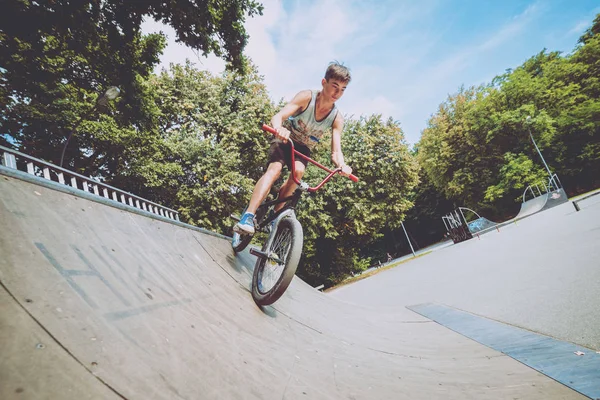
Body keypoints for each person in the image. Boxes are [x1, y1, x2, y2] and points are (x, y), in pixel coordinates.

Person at [234, 62, 353, 235]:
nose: (338, 93)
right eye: (335, 86)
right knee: (274, 170)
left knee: (298, 173)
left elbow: (336, 151)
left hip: (303, 148)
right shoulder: (307, 97)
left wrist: (342, 165)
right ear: (323, 82)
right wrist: (278, 128)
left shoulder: (337, 118)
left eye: (343, 89)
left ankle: (275, 215)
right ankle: (248, 214)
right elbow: (279, 116)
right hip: (285, 139)